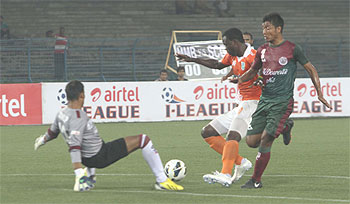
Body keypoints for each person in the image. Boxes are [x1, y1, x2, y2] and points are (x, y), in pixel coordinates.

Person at [231, 13, 332, 189]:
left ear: (279, 28)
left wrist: (320, 93)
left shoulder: (293, 49)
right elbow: (253, 71)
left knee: (266, 139)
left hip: (282, 102)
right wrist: (240, 78)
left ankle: (255, 180)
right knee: (251, 142)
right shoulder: (262, 50)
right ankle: (286, 127)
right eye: (263, 27)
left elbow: (311, 69)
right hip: (265, 100)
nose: (264, 31)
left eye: (268, 27)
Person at [34, 80, 184, 192]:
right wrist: (78, 172)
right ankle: (162, 181)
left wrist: (42, 140)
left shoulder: (61, 113)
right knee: (143, 140)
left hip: (90, 157)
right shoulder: (78, 117)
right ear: (81, 95)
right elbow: (74, 147)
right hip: (100, 155)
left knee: (91, 143)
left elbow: (53, 133)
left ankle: (90, 178)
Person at [176, 28, 262, 187]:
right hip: (242, 104)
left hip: (253, 104)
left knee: (233, 136)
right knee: (208, 132)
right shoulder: (233, 55)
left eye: (226, 44)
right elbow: (216, 65)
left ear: (235, 43)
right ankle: (240, 162)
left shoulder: (253, 56)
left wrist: (259, 80)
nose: (225, 48)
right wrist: (192, 59)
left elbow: (263, 73)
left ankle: (226, 174)